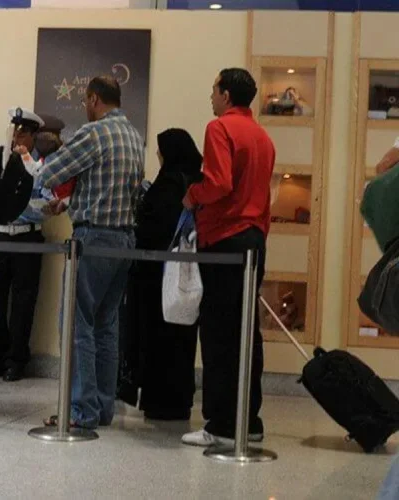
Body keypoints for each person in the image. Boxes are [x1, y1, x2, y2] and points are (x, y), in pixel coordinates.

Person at [37, 76, 145, 430]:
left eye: (85, 101)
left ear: (94, 98)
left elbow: (50, 173)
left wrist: (44, 156)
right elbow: (112, 188)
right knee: (106, 326)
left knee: (77, 323)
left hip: (93, 239)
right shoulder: (133, 136)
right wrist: (70, 201)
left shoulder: (94, 133)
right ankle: (102, 409)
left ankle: (81, 411)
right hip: (124, 240)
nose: (84, 107)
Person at [181, 68, 275, 446]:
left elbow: (219, 183)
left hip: (224, 238)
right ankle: (249, 420)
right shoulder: (263, 137)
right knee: (247, 332)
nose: (211, 97)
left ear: (225, 94)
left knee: (218, 332)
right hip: (255, 238)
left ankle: (220, 425)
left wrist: (193, 194)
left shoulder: (219, 128)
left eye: (214, 89)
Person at [117, 128, 203, 421]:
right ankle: (177, 400)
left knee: (157, 340)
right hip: (184, 277)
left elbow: (151, 229)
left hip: (157, 278)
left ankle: (159, 400)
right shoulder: (194, 182)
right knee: (182, 339)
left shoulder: (167, 186)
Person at [0, 109, 62, 382]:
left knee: (24, 303)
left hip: (28, 236)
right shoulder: (1, 160)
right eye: (15, 131)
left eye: (24, 132)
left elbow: (46, 204)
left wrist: (19, 207)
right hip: (0, 236)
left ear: (34, 135)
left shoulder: (42, 165)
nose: (18, 137)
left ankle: (17, 360)